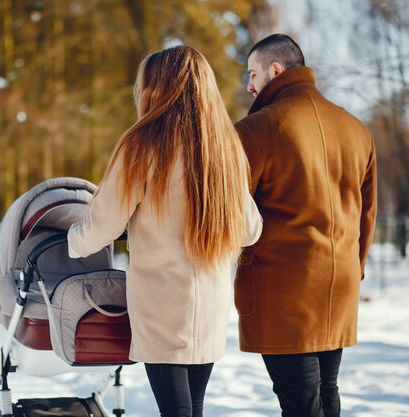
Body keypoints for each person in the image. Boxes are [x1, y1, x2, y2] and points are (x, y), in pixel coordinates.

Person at [67, 45, 263, 417]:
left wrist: (70, 240)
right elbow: (250, 230)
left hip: (162, 306)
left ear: (157, 88)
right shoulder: (225, 149)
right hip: (209, 305)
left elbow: (100, 227)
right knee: (193, 408)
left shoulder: (143, 144)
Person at [234, 33, 377, 417]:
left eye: (253, 73)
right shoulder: (357, 129)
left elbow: (232, 214)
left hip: (283, 293)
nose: (249, 85)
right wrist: (353, 269)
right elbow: (367, 215)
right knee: (325, 393)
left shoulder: (255, 130)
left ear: (275, 70)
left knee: (299, 401)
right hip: (338, 286)